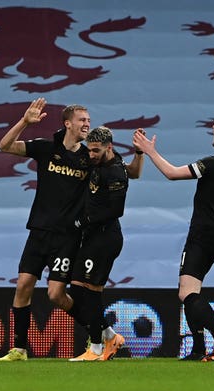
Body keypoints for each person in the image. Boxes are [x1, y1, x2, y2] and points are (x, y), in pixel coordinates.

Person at [0, 99, 143, 361]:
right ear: (67, 123)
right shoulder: (46, 148)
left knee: (56, 295)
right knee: (23, 285)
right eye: (82, 120)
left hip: (68, 236)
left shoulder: (90, 156)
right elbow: (4, 146)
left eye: (88, 120)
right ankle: (19, 349)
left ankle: (104, 333)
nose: (87, 123)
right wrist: (24, 122)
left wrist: (140, 153)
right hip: (39, 230)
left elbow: (126, 172)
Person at [133, 96, 214, 362]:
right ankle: (198, 349)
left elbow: (172, 173)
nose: (213, 126)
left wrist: (149, 151)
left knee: (187, 293)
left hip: (203, 231)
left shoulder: (213, 163)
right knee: (190, 290)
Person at [67, 126, 137, 361]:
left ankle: (96, 348)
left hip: (106, 238)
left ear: (109, 147)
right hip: (94, 237)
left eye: (96, 150)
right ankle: (108, 335)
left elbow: (117, 209)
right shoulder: (104, 160)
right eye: (90, 150)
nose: (91, 154)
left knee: (91, 292)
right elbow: (135, 171)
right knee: (77, 288)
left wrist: (84, 220)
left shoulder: (115, 172)